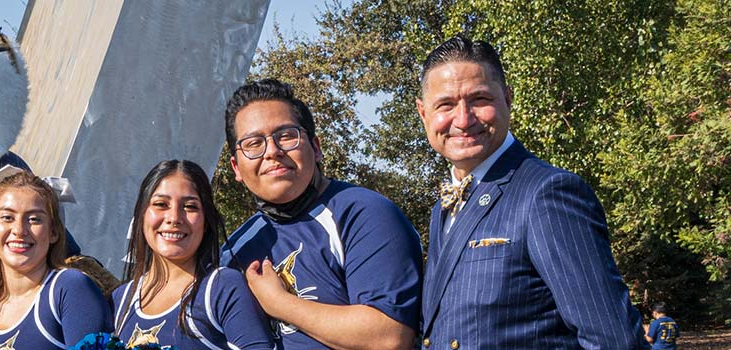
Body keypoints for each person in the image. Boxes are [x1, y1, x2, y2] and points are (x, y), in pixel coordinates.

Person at [415, 34, 645, 349]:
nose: (464, 119)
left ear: (508, 99)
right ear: (424, 113)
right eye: (446, 105)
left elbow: (614, 340)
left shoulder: (547, 193)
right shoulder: (443, 207)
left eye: (480, 99)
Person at [218, 79, 423, 349]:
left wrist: (280, 303)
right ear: (236, 167)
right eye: (253, 143)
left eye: (286, 136)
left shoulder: (364, 214)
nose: (273, 152)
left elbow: (389, 336)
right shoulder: (233, 249)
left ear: (315, 147)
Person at [114, 160, 274, 350]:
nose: (174, 218)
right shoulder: (120, 299)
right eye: (161, 204)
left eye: (190, 207)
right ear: (142, 216)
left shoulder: (222, 287)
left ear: (206, 221)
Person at [0, 173, 111, 350]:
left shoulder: (69, 288)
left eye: (34, 219)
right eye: (7, 217)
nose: (19, 230)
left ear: (54, 232)